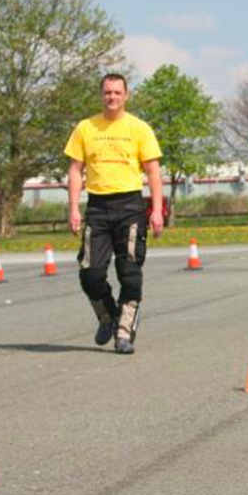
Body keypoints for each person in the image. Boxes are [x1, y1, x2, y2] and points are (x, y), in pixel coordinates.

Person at [64, 73, 165, 355]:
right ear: (101, 95)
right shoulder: (85, 128)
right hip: (97, 207)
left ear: (126, 95)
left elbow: (153, 171)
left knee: (129, 272)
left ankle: (124, 331)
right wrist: (73, 207)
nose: (112, 98)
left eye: (117, 93)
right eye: (107, 93)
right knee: (90, 273)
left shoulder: (139, 128)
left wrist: (156, 210)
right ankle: (108, 315)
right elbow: (75, 170)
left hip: (130, 207)